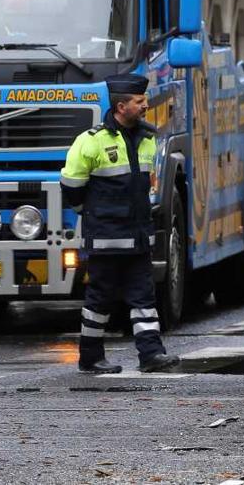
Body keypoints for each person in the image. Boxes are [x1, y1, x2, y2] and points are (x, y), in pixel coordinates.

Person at [60, 74, 179, 374]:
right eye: (139, 102)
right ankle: (90, 357)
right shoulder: (91, 141)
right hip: (106, 240)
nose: (146, 106)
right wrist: (91, 214)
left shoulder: (148, 139)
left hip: (138, 239)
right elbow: (72, 186)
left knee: (144, 298)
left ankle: (151, 354)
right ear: (120, 105)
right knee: (100, 300)